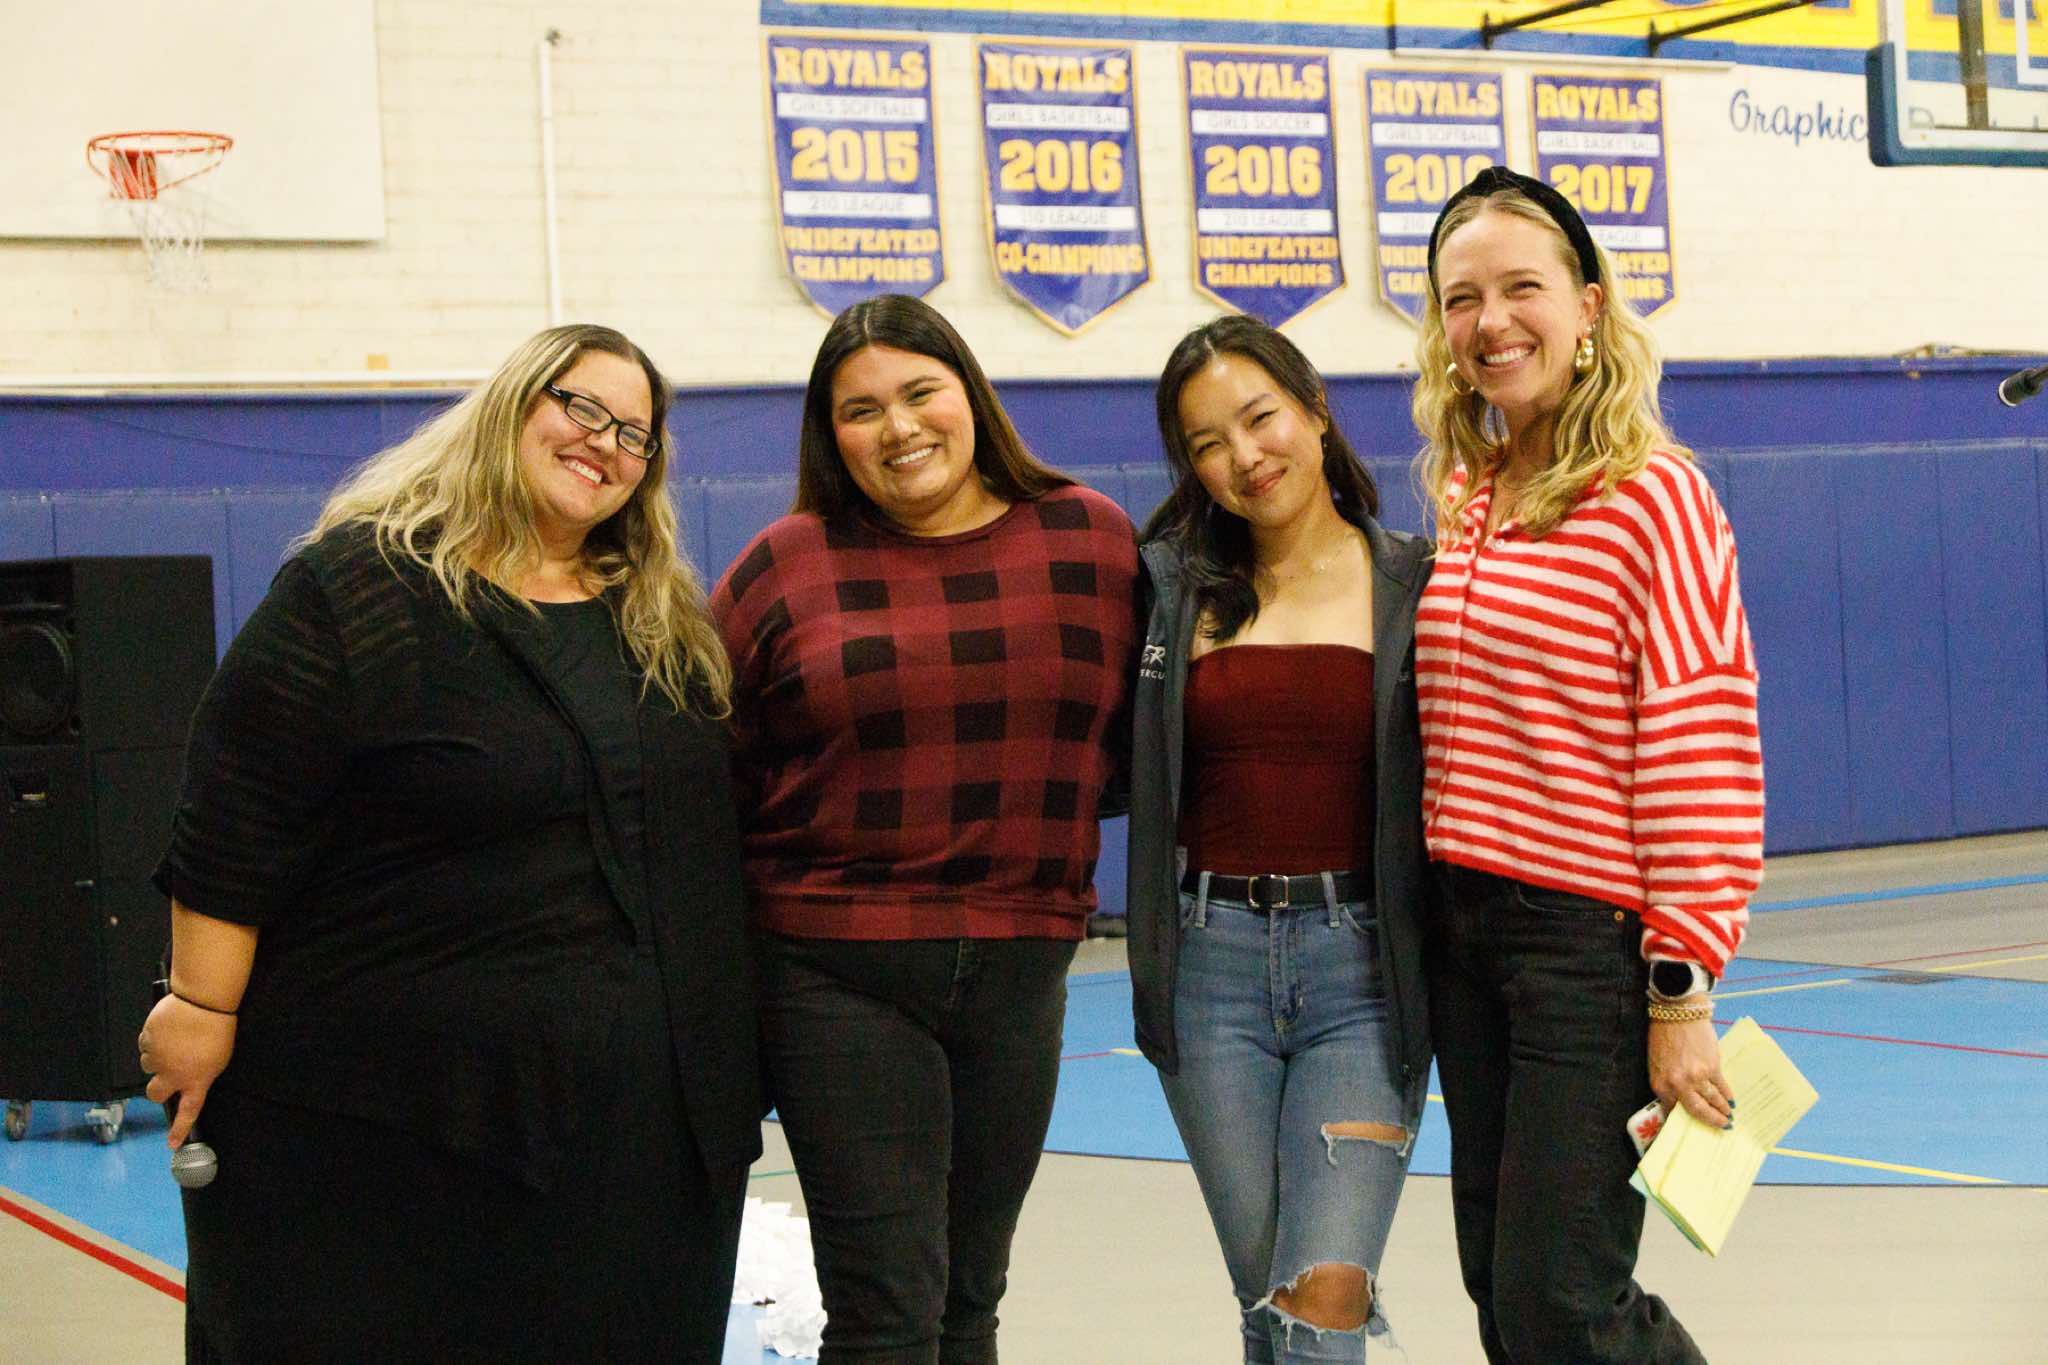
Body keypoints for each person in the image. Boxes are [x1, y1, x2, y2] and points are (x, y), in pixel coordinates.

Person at [136, 324, 760, 1361]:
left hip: (640, 1131)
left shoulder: (658, 622)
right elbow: (237, 807)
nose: (604, 441)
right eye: (581, 406)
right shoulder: (360, 590)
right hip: (389, 1120)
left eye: (635, 434)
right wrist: (201, 1005)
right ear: (511, 407)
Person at [710, 293, 1139, 1365]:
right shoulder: (784, 563)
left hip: (1022, 963)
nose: (897, 428)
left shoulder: (1090, 537)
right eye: (861, 411)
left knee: (968, 1300)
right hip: (835, 970)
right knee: (886, 1313)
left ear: (969, 396)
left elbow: (1131, 743)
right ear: (831, 437)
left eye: (918, 393)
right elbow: (711, 762)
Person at [1411, 165, 1764, 1363]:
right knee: (1498, 1291)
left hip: (1583, 953)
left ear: (1589, 306)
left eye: (1521, 288)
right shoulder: (1469, 494)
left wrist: (1679, 992)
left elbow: (1698, 746)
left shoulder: (1654, 496)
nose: (1491, 321)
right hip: (1461, 937)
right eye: (1461, 298)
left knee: (1562, 1301)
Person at [1125, 315, 1433, 1364]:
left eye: (1260, 418)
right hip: (1206, 977)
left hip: (1365, 981)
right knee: (1269, 1303)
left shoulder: (1416, 582)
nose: (1244, 457)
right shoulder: (1170, 594)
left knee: (1320, 1301)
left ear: (1314, 410)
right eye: (1206, 443)